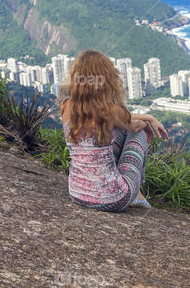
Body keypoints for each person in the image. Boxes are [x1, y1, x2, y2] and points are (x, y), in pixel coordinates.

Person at [58, 50, 168, 212]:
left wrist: (148, 117)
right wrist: (147, 125)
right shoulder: (110, 111)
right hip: (114, 198)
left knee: (117, 130)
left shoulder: (66, 106)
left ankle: (136, 193)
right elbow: (133, 125)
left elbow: (115, 117)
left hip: (77, 194)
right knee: (137, 133)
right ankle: (137, 194)